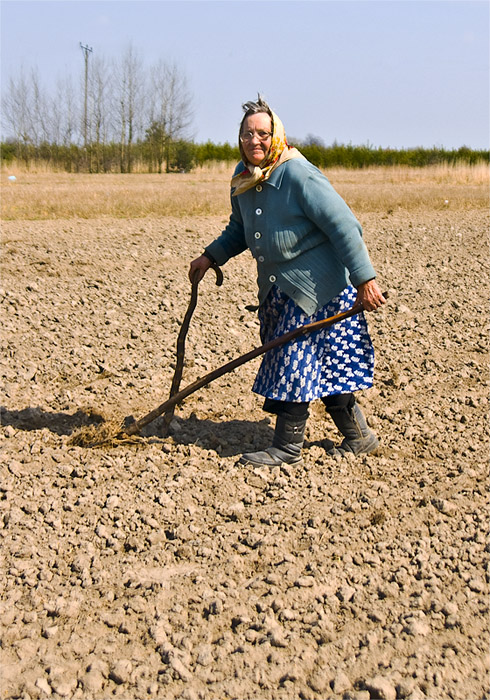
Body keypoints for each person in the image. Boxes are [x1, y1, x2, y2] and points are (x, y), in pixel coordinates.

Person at [189, 96, 386, 467]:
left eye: (263, 133)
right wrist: (210, 256)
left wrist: (364, 280)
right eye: (248, 134)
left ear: (276, 135)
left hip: (319, 289)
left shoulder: (297, 173)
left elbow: (344, 225)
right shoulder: (245, 177)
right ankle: (360, 438)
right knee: (325, 367)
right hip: (280, 291)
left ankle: (286, 447)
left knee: (293, 361)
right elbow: (240, 229)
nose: (255, 141)